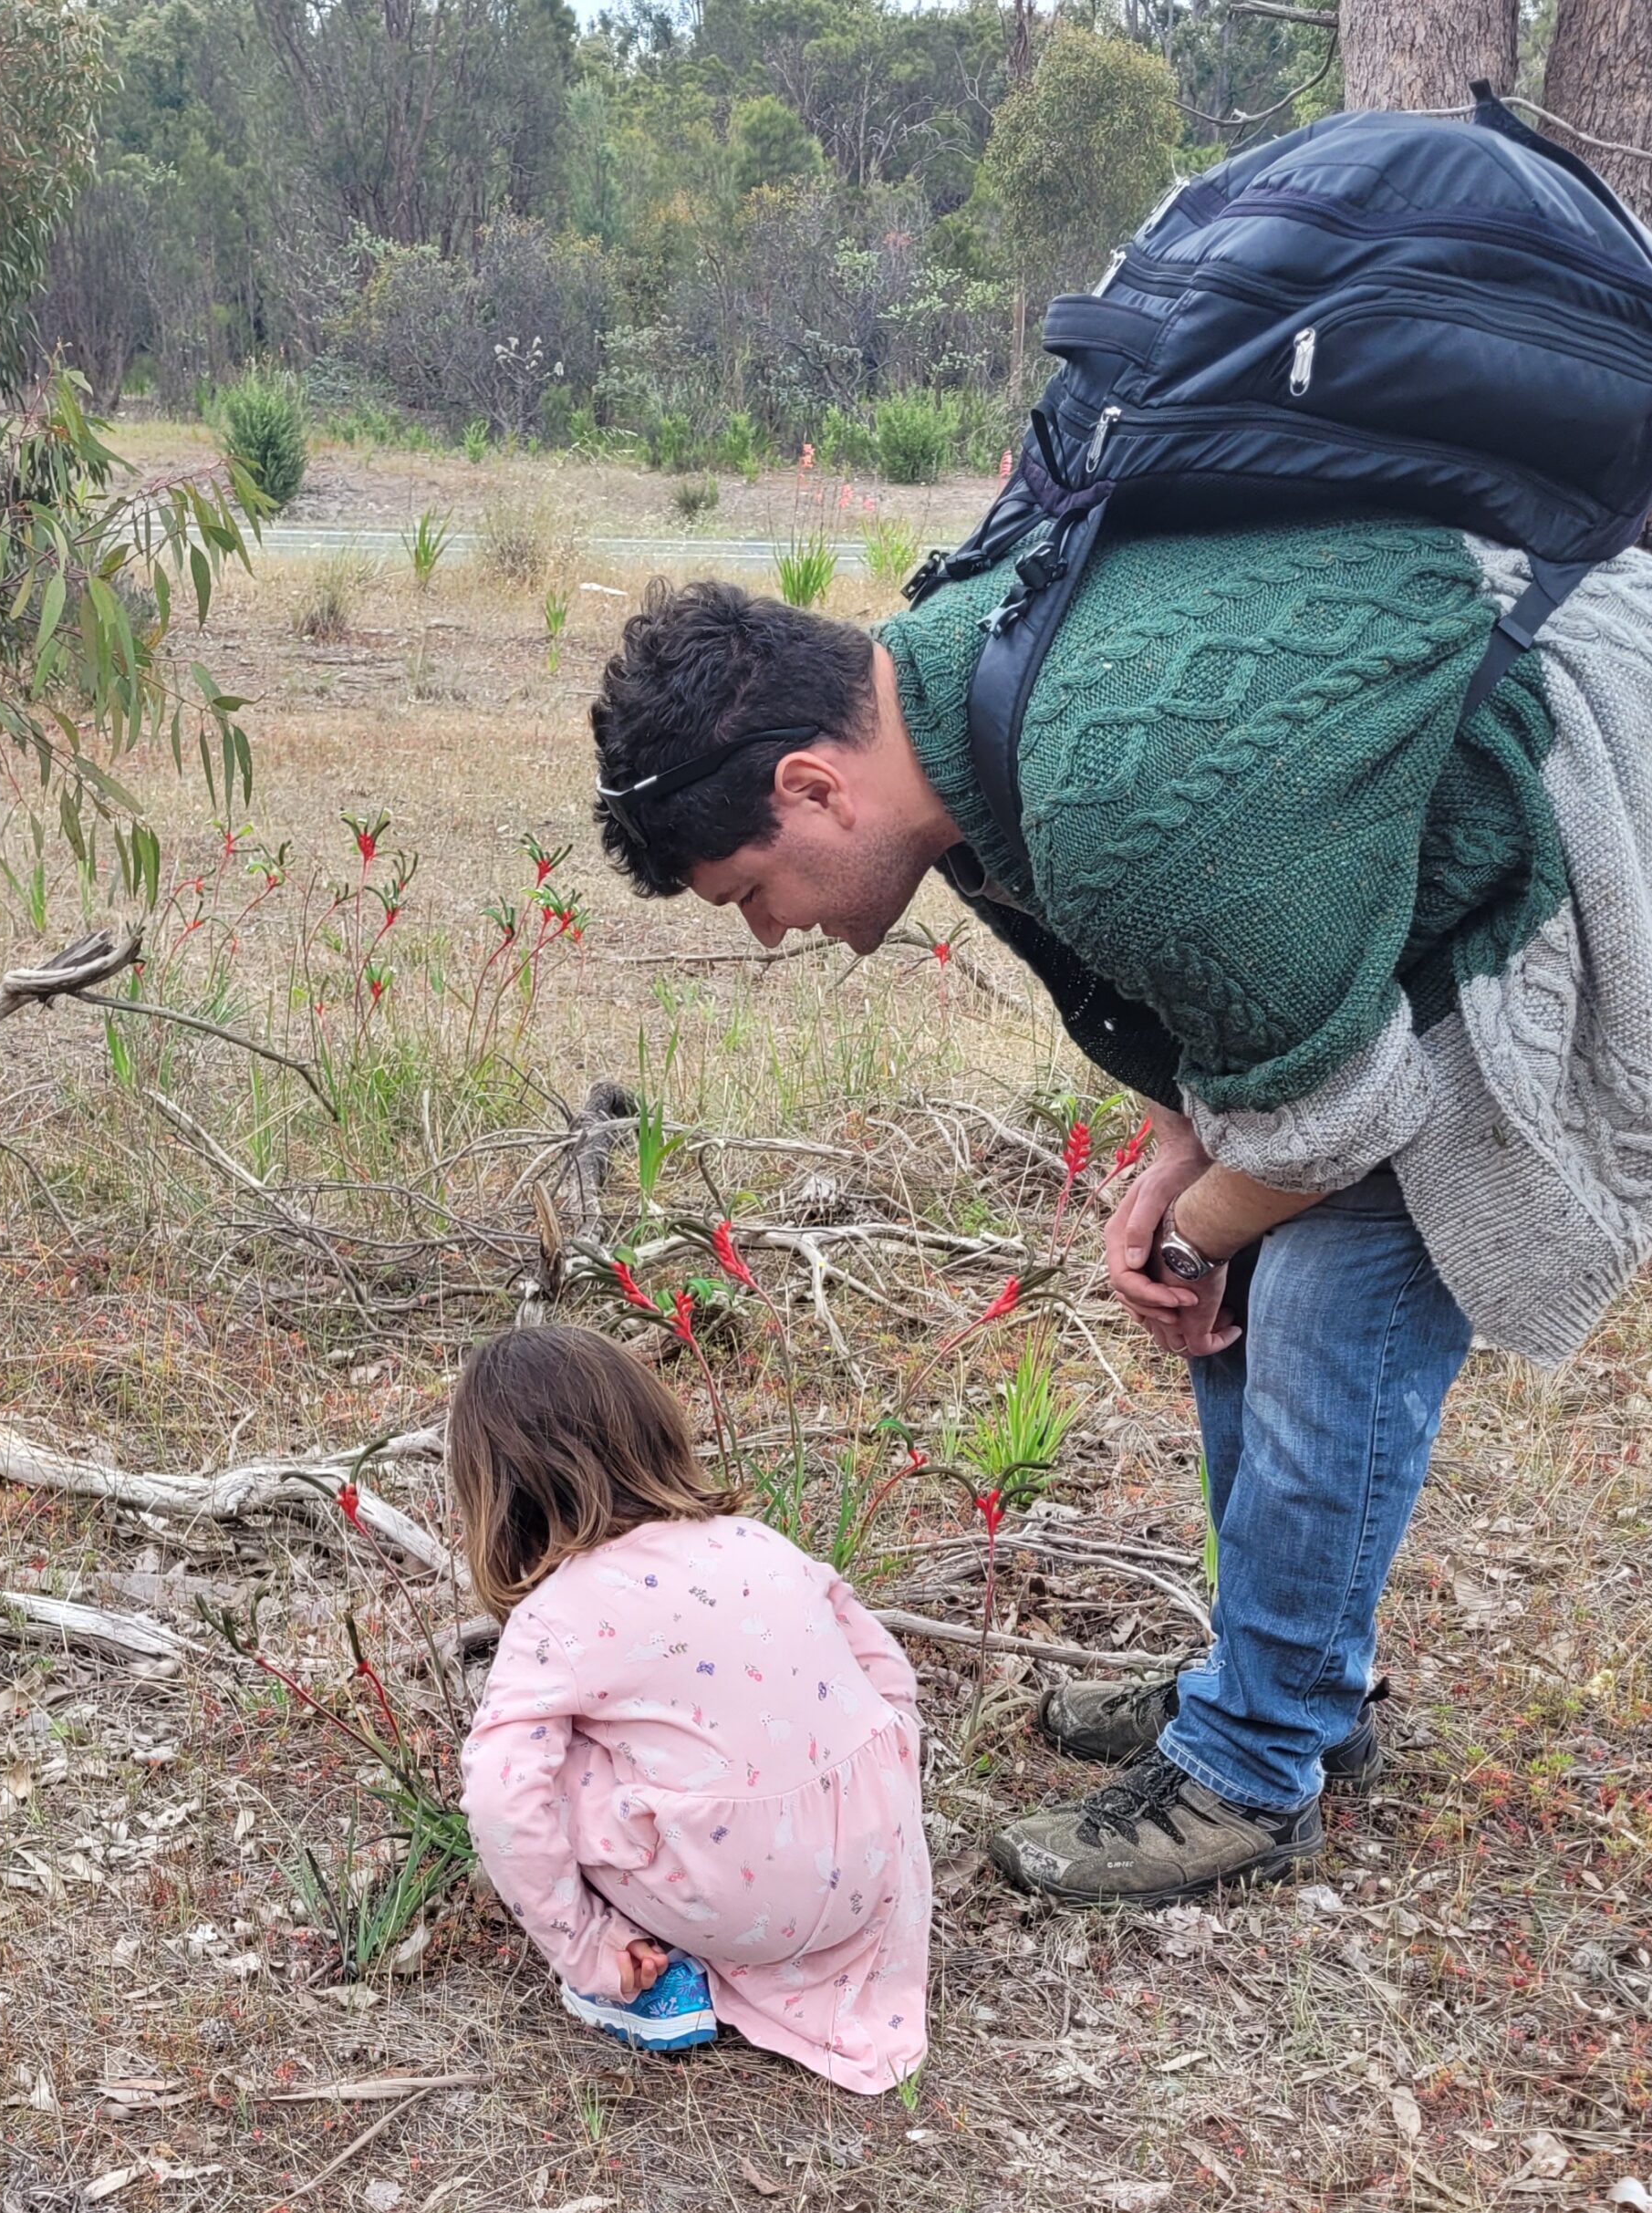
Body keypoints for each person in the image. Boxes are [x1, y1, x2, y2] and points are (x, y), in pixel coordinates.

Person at [586, 516, 1652, 1907]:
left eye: (752, 891)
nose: (768, 931)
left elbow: (1343, 1120)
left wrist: (1198, 1229)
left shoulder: (1107, 793)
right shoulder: (944, 714)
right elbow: (1170, 984)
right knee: (1245, 1278)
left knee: (1322, 1286)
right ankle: (1283, 1688)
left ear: (810, 784)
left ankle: (1255, 1768)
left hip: (1566, 819)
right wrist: (1173, 1157)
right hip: (1373, 904)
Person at [452, 1324, 931, 2092]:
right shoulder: (760, 1541)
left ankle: (642, 1974)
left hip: (740, 1900)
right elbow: (886, 1674)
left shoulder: (556, 1616)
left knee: (549, 1757)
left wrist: (583, 1945)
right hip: (875, 1866)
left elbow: (501, 1797)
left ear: (495, 1489)